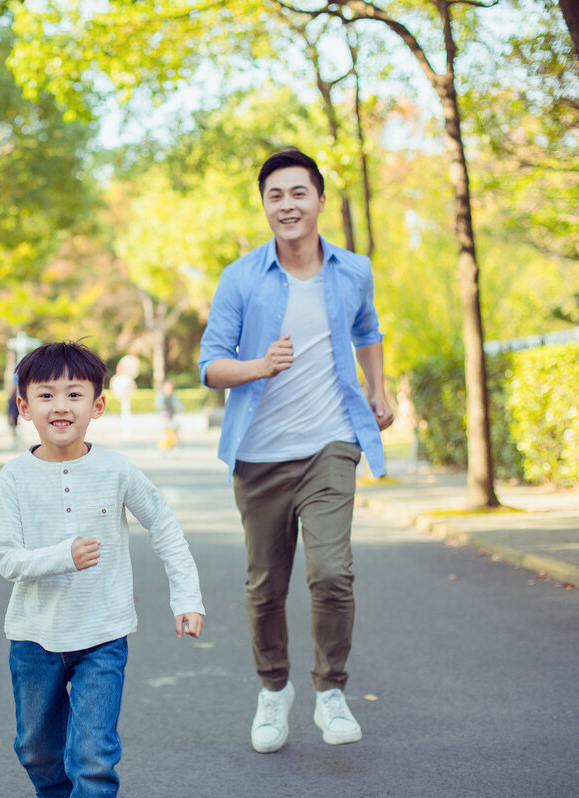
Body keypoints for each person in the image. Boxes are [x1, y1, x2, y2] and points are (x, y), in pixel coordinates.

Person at [197, 149, 394, 753]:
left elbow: (367, 330)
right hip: (260, 455)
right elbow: (209, 365)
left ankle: (330, 691)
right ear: (265, 205)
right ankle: (273, 689)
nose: (287, 205)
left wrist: (378, 389)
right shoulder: (241, 277)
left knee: (332, 572)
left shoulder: (352, 270)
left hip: (330, 443)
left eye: (298, 193)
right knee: (264, 585)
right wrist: (260, 366)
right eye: (275, 195)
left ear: (320, 200)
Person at [0, 341, 205, 798]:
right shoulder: (14, 476)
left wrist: (187, 597)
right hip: (33, 638)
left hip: (102, 635)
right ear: (24, 407)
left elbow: (164, 526)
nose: (61, 406)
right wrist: (62, 557)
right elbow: (7, 559)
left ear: (98, 405)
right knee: (35, 749)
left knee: (94, 757)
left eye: (75, 394)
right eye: (46, 395)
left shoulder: (117, 470)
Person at [155, 379, 184, 450]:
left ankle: (174, 443)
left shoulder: (174, 396)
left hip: (172, 416)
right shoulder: (161, 396)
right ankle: (165, 444)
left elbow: (179, 406)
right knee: (164, 430)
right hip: (164, 416)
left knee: (175, 428)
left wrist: (178, 410)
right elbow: (159, 406)